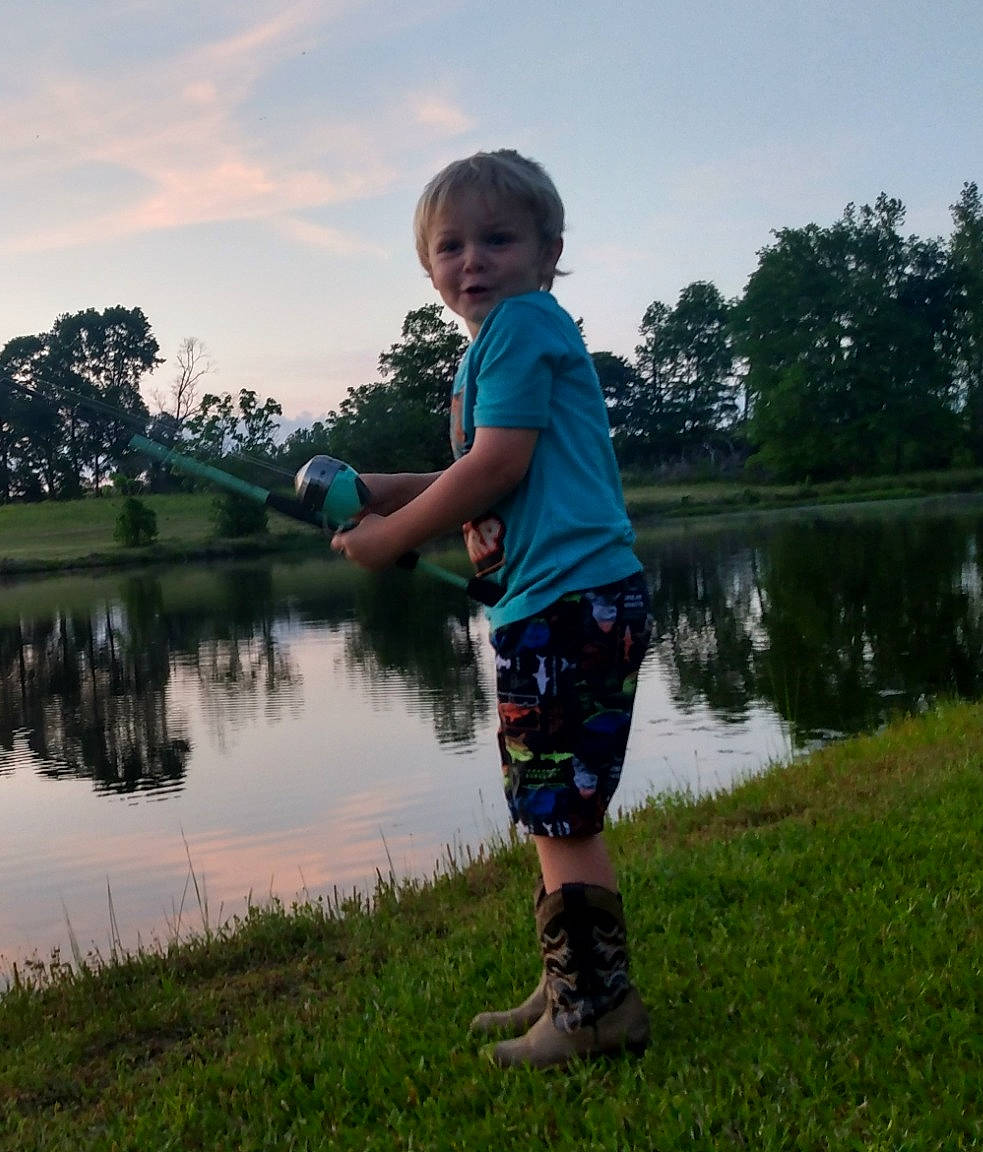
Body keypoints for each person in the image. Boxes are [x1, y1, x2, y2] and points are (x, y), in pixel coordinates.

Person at [329, 150, 652, 1068]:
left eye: (498, 240)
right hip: (563, 605)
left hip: (568, 605)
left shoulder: (515, 331)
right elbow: (481, 473)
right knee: (553, 805)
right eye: (451, 246)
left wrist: (396, 540)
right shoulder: (503, 344)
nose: (473, 260)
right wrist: (382, 493)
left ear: (549, 251)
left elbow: (494, 468)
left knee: (561, 811)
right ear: (428, 267)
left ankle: (595, 1010)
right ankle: (574, 981)